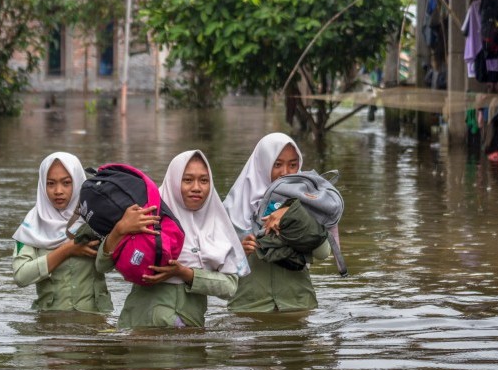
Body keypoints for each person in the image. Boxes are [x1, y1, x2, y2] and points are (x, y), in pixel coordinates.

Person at [95, 150, 249, 328]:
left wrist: (185, 273)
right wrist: (119, 230)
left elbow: (230, 287)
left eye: (204, 180)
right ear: (174, 181)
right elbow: (102, 266)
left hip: (188, 336)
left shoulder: (217, 226)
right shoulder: (147, 214)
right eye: (188, 180)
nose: (197, 187)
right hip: (140, 332)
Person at [223, 132, 331, 313]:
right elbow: (215, 265)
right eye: (277, 164)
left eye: (293, 165)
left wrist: (294, 213)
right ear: (262, 165)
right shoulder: (233, 209)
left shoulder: (309, 200)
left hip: (297, 306)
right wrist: (240, 251)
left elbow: (323, 253)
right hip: (248, 308)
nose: (285, 173)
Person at [12, 152, 113, 314]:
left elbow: (110, 266)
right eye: (50, 183)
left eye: (66, 183)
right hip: (50, 325)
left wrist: (118, 233)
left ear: (79, 182)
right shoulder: (31, 226)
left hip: (95, 322)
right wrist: (67, 250)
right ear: (42, 186)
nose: (58, 191)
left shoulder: (95, 219)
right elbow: (21, 276)